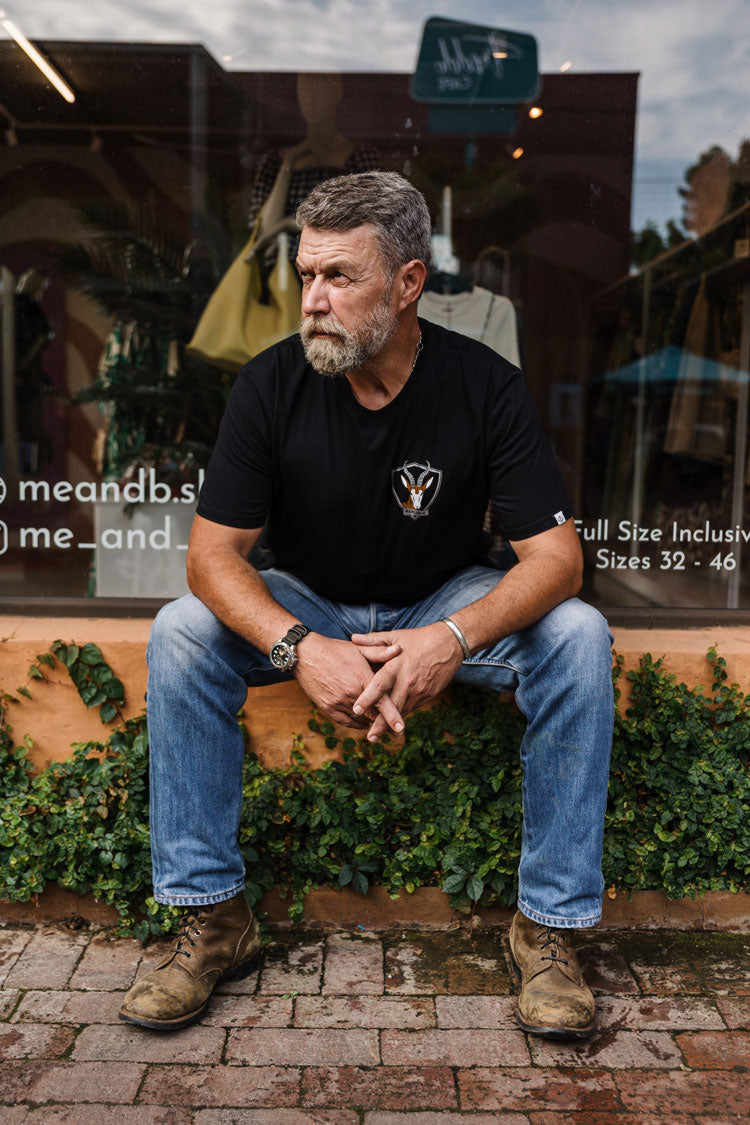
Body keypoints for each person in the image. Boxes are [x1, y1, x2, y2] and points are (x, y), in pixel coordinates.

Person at [119, 171, 614, 1040]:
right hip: (308, 598)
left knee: (578, 633)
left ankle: (549, 928)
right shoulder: (270, 384)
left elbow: (558, 560)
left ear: (408, 282)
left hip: (445, 596)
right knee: (182, 630)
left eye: (339, 277)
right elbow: (210, 558)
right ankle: (214, 919)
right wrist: (300, 646)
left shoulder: (484, 385)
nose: (313, 299)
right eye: (307, 275)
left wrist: (451, 637)